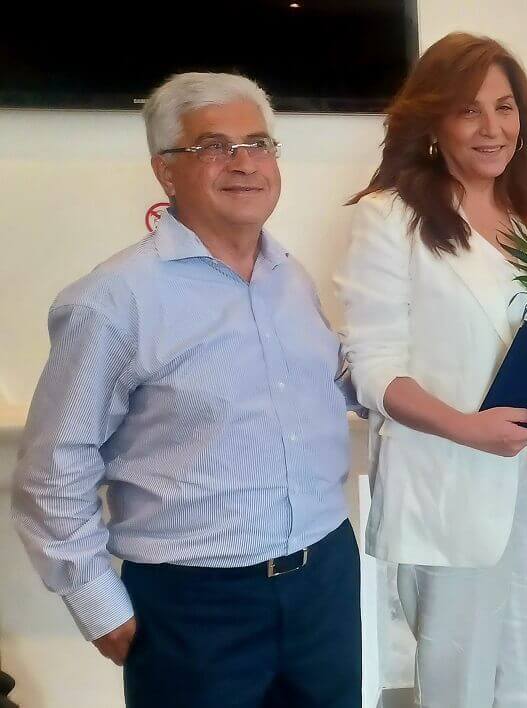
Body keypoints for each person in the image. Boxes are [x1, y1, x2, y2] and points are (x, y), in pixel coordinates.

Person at [12, 72, 361, 708]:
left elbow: (334, 386)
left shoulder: (291, 277)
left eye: (258, 144)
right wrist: (95, 600)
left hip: (325, 581)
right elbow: (53, 465)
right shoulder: (114, 299)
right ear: (165, 171)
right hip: (195, 605)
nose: (244, 163)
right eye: (214, 147)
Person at [335, 33, 527, 707]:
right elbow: (372, 367)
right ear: (433, 121)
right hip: (451, 484)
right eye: (470, 110)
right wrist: (467, 428)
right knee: (458, 690)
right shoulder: (391, 218)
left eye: (506, 107)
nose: (493, 128)